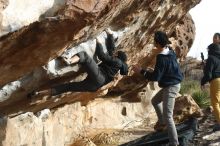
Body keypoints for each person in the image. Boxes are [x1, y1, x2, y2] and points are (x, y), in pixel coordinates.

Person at [29, 32, 128, 97]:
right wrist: (110, 36)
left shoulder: (117, 62)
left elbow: (102, 56)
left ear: (118, 57)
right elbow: (112, 50)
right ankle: (38, 93)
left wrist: (98, 42)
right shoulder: (117, 64)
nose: (114, 54)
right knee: (68, 87)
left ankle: (69, 60)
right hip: (94, 86)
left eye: (116, 54)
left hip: (99, 77)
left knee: (84, 56)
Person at [132, 31, 183, 146]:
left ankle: (174, 143)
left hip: (171, 87)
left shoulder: (161, 57)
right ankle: (162, 122)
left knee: (168, 116)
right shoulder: (171, 51)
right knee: (155, 101)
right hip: (171, 85)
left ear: (158, 43)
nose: (153, 43)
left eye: (155, 41)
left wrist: (141, 71)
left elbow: (155, 77)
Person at [201, 43, 220, 132]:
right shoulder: (218, 58)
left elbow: (208, 75)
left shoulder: (211, 58)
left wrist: (202, 82)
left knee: (215, 103)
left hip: (215, 81)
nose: (208, 52)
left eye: (208, 50)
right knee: (218, 103)